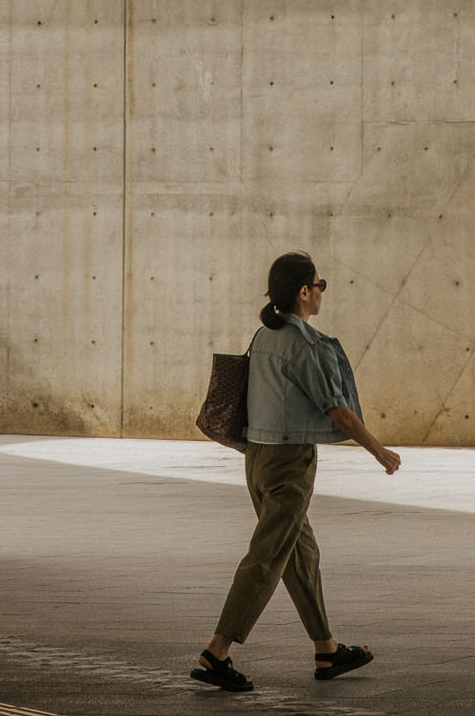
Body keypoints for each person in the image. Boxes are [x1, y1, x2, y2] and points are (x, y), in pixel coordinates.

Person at [191, 252, 400, 693]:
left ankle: (326, 649)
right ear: (304, 291)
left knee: (300, 555)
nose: (322, 292)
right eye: (320, 285)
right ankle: (217, 652)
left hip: (258, 459)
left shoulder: (265, 336)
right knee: (267, 558)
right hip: (289, 464)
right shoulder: (304, 344)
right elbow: (339, 412)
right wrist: (380, 452)